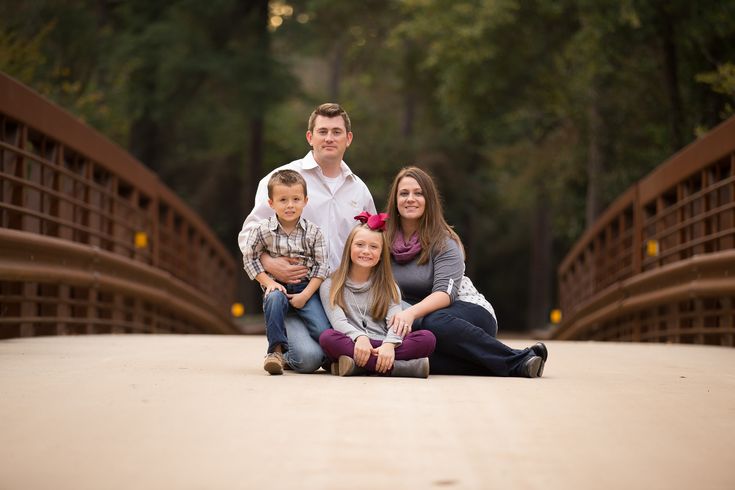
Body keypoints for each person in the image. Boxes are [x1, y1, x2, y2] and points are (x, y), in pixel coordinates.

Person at [238, 103, 376, 373]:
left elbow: (373, 241)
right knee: (309, 359)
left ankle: (335, 351)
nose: (329, 138)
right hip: (293, 292)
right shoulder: (283, 180)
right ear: (309, 137)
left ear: (348, 139)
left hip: (341, 296)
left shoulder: (359, 190)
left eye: (336, 132)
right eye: (322, 131)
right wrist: (269, 263)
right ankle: (286, 348)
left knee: (332, 346)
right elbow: (248, 235)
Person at [384, 166, 548, 377]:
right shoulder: (384, 241)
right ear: (395, 201)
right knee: (422, 354)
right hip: (418, 321)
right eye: (404, 193)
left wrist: (411, 313)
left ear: (429, 200)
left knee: (432, 322)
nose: (410, 199)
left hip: (467, 312)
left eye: (418, 193)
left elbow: (446, 294)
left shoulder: (444, 241)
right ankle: (527, 360)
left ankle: (517, 359)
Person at [319, 212, 436, 377]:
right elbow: (338, 322)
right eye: (360, 244)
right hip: (353, 342)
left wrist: (389, 345)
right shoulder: (331, 285)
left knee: (427, 339)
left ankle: (358, 366)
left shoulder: (388, 286)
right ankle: (401, 368)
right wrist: (360, 338)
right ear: (349, 248)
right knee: (327, 338)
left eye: (373, 247)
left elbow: (395, 323)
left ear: (381, 255)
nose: (366, 251)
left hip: (384, 343)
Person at [241, 170, 330, 375]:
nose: (290, 205)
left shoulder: (314, 232)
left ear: (305, 201)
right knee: (273, 299)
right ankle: (275, 352)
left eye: (296, 199)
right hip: (277, 288)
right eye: (283, 200)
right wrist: (267, 282)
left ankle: (329, 358)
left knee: (322, 330)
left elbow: (321, 267)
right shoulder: (262, 230)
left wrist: (306, 294)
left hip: (305, 290)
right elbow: (249, 257)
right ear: (271, 203)